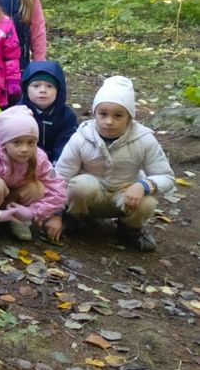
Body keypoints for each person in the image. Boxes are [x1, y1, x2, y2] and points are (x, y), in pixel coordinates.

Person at [55, 76, 174, 251]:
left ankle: (129, 228)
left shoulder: (144, 140)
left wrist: (143, 186)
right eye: (103, 114)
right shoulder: (81, 138)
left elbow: (166, 176)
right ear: (94, 113)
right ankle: (74, 218)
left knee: (147, 202)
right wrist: (55, 213)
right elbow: (61, 176)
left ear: (129, 117)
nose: (109, 121)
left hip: (124, 196)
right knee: (81, 186)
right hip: (89, 197)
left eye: (118, 115)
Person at [0, 106, 66, 244]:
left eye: (31, 142)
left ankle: (18, 218)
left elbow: (58, 190)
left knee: (37, 187)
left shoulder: (39, 158)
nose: (25, 149)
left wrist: (33, 212)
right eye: (17, 142)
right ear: (4, 143)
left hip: (15, 200)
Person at [19, 61, 77, 163]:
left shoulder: (67, 116)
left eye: (49, 86)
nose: (43, 90)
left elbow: (66, 145)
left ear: (59, 90)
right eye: (36, 86)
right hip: (26, 161)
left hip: (57, 164)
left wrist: (57, 164)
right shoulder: (17, 114)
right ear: (26, 89)